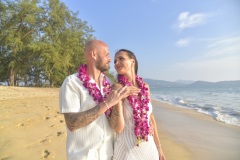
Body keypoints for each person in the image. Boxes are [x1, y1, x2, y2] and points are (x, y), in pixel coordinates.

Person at [59, 40, 140, 160]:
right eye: (107, 54)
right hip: (83, 155)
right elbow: (72, 123)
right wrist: (107, 103)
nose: (110, 60)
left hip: (108, 154)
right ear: (94, 54)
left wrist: (118, 104)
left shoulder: (110, 83)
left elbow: (114, 125)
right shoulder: (72, 82)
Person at [110, 49, 166, 160]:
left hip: (149, 148)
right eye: (115, 61)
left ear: (132, 62)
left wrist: (159, 148)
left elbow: (150, 118)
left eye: (121, 58)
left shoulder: (145, 87)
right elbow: (118, 128)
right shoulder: (117, 88)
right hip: (127, 150)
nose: (116, 63)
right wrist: (120, 97)